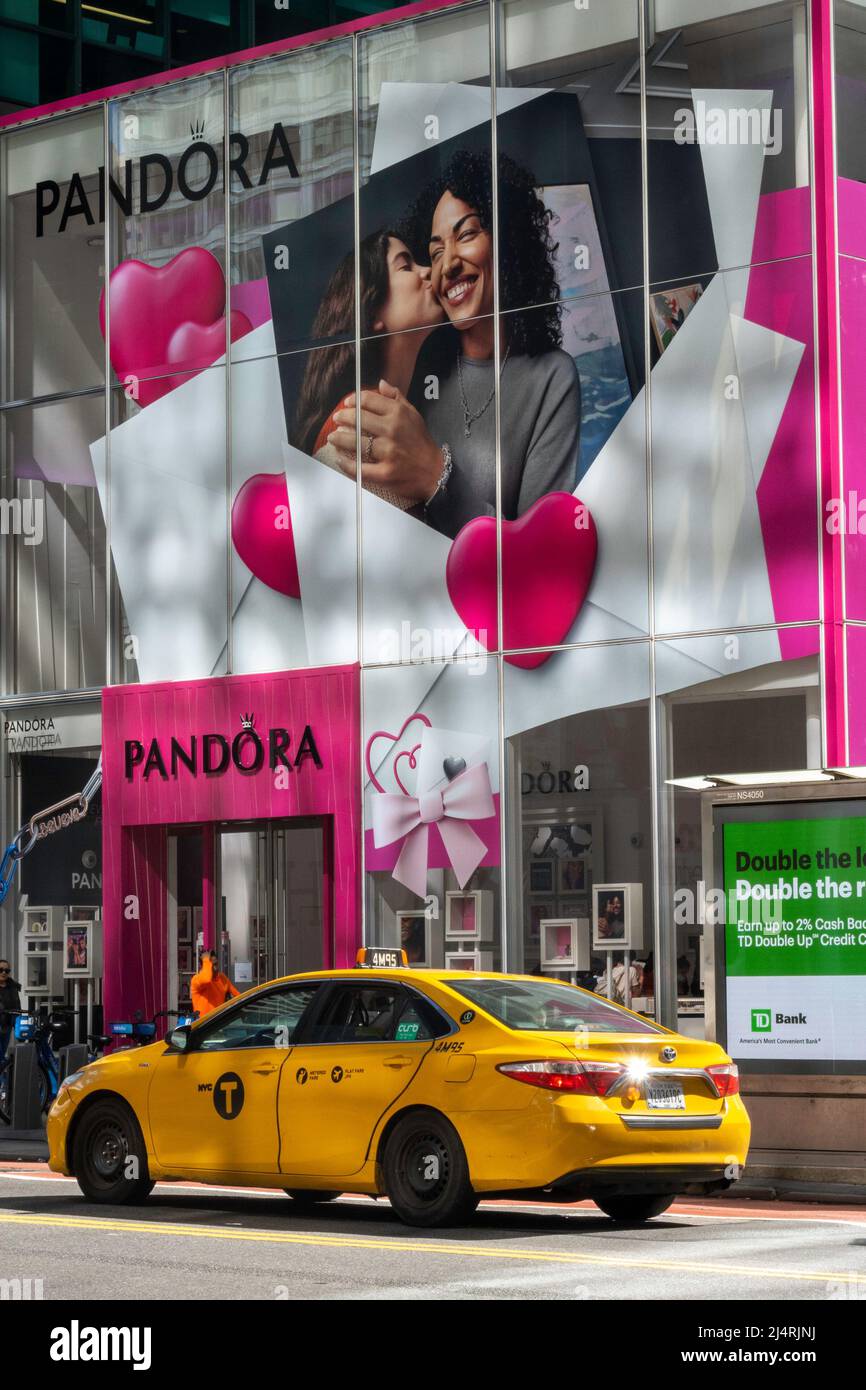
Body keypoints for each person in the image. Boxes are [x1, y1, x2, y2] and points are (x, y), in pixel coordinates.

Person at [327, 149, 581, 538]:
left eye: (465, 235)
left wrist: (436, 476)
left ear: (507, 241)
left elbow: (540, 551)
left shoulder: (552, 377)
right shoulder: (414, 367)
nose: (447, 265)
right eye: (435, 252)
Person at [293, 230, 444, 509]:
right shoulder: (358, 432)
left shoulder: (376, 416)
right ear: (372, 312)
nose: (428, 271)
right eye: (405, 265)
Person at [190, 950, 239, 1019]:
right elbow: (206, 979)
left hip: (218, 1023)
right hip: (203, 1025)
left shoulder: (222, 978)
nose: (216, 968)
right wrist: (206, 959)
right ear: (204, 966)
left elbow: (237, 995)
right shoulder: (196, 979)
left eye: (216, 964)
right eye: (211, 966)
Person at [0, 959, 21, 1062]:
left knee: (2, 1053)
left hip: (7, 1025)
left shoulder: (13, 987)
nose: (4, 972)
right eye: (1, 970)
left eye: (6, 970)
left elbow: (17, 1005)